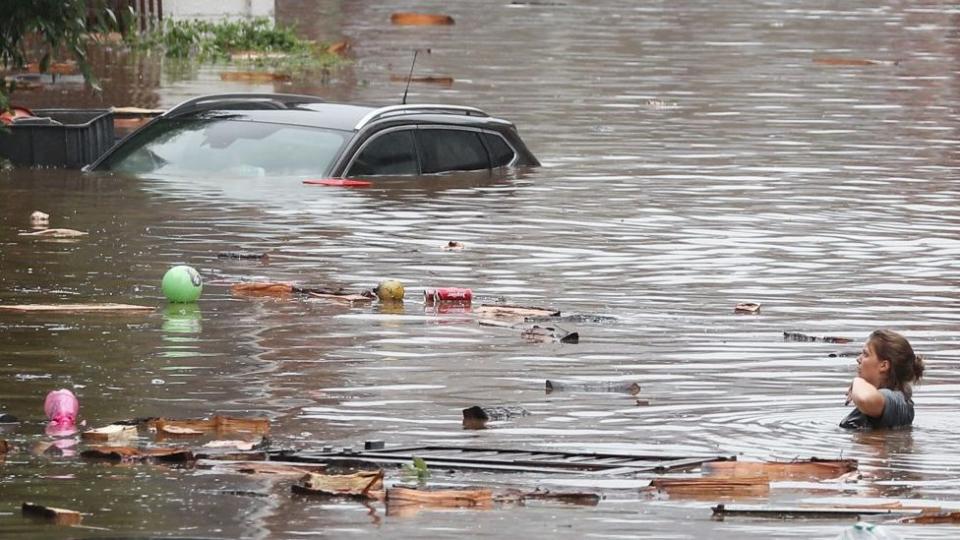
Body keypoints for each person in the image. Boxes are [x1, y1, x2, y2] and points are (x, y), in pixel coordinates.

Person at [840, 329, 924, 429]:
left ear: (884, 365)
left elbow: (865, 399)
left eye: (866, 354)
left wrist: (857, 381)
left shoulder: (895, 399)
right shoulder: (900, 399)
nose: (858, 359)